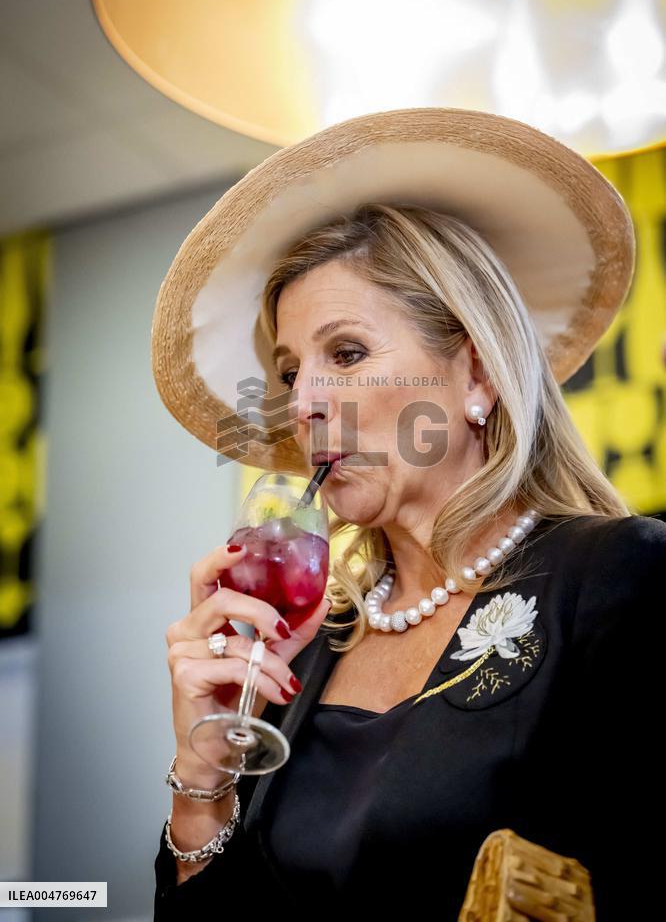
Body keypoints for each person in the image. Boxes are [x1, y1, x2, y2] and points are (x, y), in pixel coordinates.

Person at [150, 108, 665, 919]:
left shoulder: (621, 577)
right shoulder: (304, 656)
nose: (305, 403)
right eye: (290, 374)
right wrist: (204, 772)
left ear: (475, 375)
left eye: (346, 354)